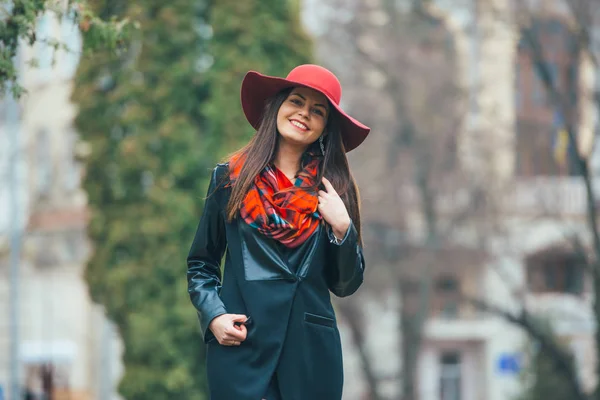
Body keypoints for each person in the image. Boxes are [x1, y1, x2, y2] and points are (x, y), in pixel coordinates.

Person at [187, 64, 370, 400]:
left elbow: (345, 284)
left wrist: (343, 229)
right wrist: (214, 316)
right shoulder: (229, 179)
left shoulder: (334, 191)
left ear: (326, 126)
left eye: (318, 110)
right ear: (277, 106)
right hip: (243, 351)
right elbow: (202, 264)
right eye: (297, 102)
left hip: (311, 359)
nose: (304, 114)